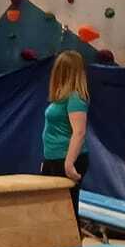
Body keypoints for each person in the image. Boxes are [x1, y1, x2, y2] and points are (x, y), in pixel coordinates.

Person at [40, 52, 91, 213]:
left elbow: (79, 132)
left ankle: (71, 238)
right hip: (54, 158)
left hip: (67, 159)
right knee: (51, 210)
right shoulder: (61, 97)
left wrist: (69, 164)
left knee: (66, 210)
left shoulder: (75, 98)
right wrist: (47, 160)